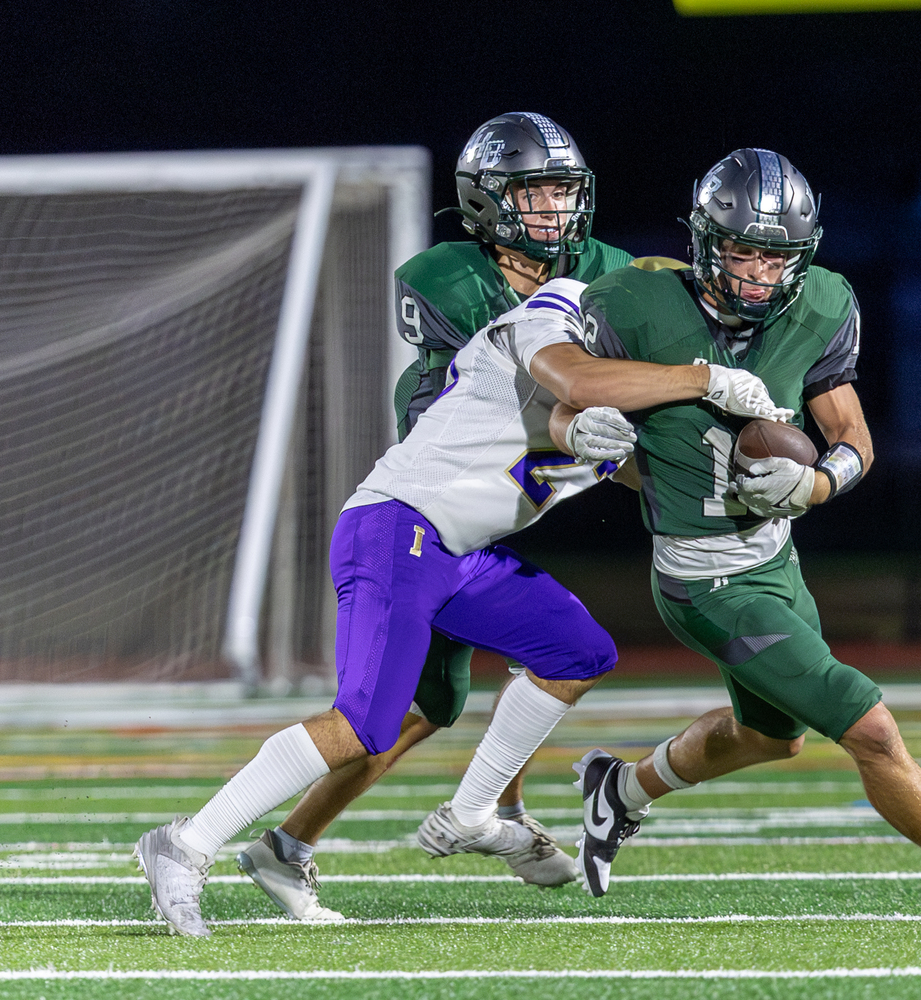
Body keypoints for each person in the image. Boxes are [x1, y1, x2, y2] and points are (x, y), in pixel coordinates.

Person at [133, 274, 792, 938]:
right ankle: (186, 843)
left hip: (456, 553)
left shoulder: (634, 383)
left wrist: (745, 478)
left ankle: (476, 813)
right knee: (364, 724)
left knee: (578, 650)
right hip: (399, 526)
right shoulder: (560, 310)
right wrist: (706, 378)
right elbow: (577, 386)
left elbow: (602, 441)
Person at [556, 149, 921, 922]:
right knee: (867, 725)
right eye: (743, 251)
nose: (760, 275)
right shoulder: (630, 302)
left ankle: (621, 788)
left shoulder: (825, 303)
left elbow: (852, 434)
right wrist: (582, 434)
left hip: (775, 557)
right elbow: (562, 397)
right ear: (705, 241)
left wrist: (818, 481)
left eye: (777, 258)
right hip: (703, 577)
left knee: (771, 738)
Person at [236, 112, 639, 921]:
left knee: (503, 670)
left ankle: (471, 813)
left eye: (563, 190)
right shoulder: (447, 276)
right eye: (534, 192)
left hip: (519, 488)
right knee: (416, 706)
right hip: (445, 495)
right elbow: (504, 395)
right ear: (487, 203)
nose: (555, 210)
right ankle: (294, 841)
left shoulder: (611, 270)